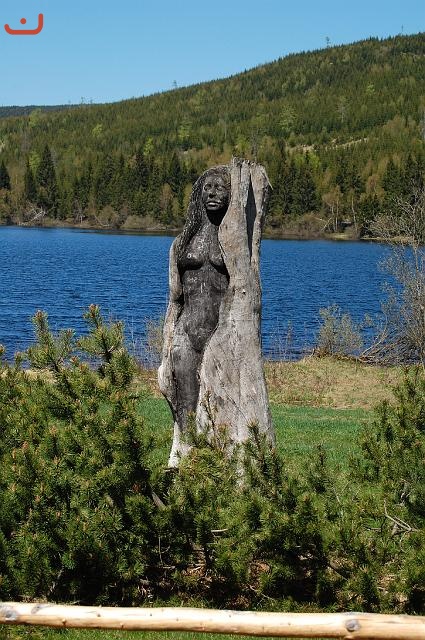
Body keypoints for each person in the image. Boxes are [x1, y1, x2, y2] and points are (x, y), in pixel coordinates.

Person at [166, 165, 231, 436]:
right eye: (207, 188)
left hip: (222, 334)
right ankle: (183, 450)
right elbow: (174, 298)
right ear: (199, 194)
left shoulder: (234, 242)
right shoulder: (182, 242)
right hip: (186, 331)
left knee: (221, 405)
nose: (212, 193)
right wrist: (168, 337)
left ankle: (219, 452)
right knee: (185, 404)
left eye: (220, 188)